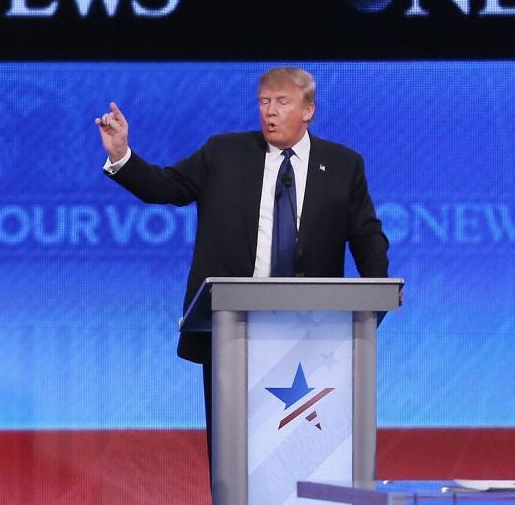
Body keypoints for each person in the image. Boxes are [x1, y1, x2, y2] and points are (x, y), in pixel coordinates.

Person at [95, 67, 389, 457]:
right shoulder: (224, 153)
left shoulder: (342, 164)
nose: (270, 111)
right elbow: (166, 186)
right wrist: (121, 155)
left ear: (307, 111)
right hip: (232, 330)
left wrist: (374, 302)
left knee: (303, 451)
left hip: (311, 333)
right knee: (234, 454)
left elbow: (366, 236)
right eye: (264, 102)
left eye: (282, 102)